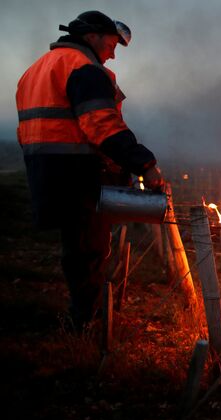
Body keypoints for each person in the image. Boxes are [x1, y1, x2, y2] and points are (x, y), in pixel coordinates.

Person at [16, 11, 164, 330]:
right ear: (92, 36)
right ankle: (86, 324)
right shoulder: (83, 69)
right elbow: (102, 125)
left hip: (46, 171)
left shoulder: (36, 70)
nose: (112, 53)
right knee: (88, 249)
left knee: (77, 247)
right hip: (79, 171)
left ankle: (83, 315)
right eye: (112, 44)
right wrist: (145, 165)